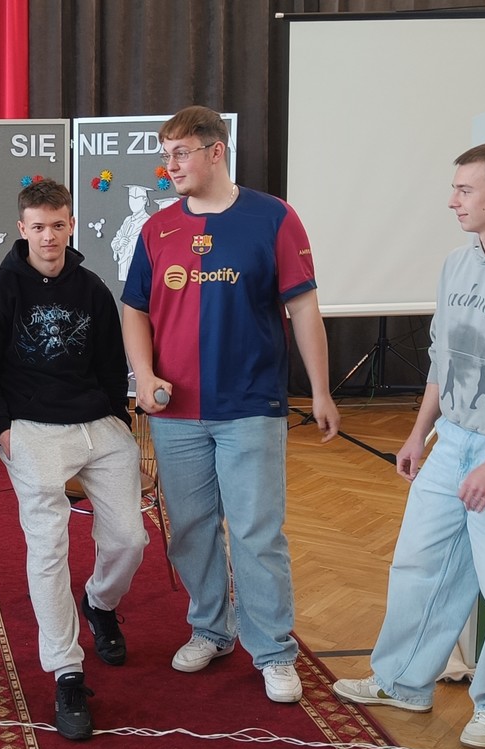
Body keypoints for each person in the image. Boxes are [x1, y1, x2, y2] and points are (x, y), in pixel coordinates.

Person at [332, 141, 485, 749]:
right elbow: (442, 359)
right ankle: (403, 682)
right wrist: (420, 433)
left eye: (465, 189)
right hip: (452, 441)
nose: (452, 201)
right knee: (419, 566)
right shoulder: (457, 264)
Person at [121, 105, 340, 703]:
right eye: (165, 155)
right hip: (176, 413)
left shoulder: (273, 218)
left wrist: (320, 390)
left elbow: (303, 308)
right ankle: (211, 630)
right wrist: (145, 374)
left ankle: (273, 650)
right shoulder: (157, 229)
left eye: (181, 153)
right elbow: (135, 308)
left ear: (216, 151)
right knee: (190, 530)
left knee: (256, 531)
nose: (170, 166)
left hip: (251, 405)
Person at [0, 181, 147, 742]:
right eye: (39, 226)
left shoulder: (92, 288)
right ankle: (67, 672)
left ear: (71, 226)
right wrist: (4, 431)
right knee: (48, 548)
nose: (49, 236)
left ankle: (100, 602)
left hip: (97, 421)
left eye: (58, 225)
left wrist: (118, 418)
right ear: (22, 229)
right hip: (32, 427)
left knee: (131, 538)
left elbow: (110, 363)